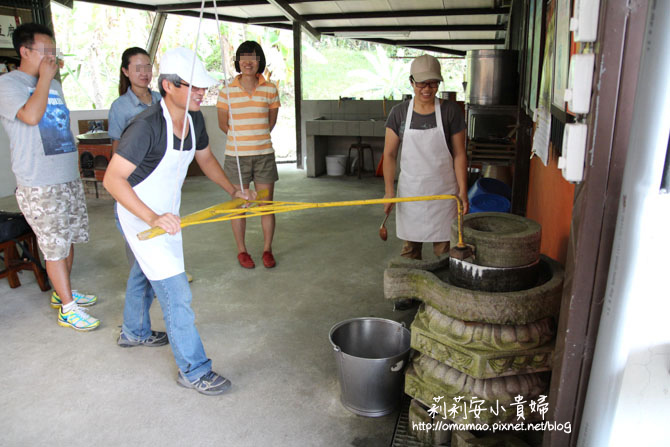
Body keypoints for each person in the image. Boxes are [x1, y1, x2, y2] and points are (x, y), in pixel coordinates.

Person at [103, 47, 254, 395]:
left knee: (144, 271)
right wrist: (152, 216)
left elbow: (206, 159)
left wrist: (234, 190)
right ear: (169, 86)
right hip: (138, 212)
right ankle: (194, 370)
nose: (203, 93)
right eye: (195, 87)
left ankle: (134, 331)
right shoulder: (145, 126)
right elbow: (113, 181)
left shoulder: (194, 117)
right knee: (176, 293)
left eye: (204, 87)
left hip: (166, 213)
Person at [0, 23, 99, 331]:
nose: (52, 58)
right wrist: (44, 77)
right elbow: (30, 116)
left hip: (65, 175)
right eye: (46, 52)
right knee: (53, 244)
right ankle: (68, 308)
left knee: (67, 238)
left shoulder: (53, 85)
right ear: (25, 51)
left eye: (54, 53)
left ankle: (62, 292)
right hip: (38, 181)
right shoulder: (8, 84)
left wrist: (47, 79)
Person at [383, 54, 469, 262]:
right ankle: (410, 293)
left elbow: (459, 154)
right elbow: (389, 154)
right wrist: (389, 191)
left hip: (444, 195)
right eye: (422, 83)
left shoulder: (450, 111)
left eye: (433, 83)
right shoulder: (399, 113)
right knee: (410, 254)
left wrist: (463, 192)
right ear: (411, 81)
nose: (427, 89)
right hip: (411, 195)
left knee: (445, 255)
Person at [217, 40, 280, 269]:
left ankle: (267, 250)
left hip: (264, 154)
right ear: (237, 61)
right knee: (238, 206)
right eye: (243, 57)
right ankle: (242, 251)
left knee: (267, 205)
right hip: (236, 157)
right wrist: (242, 140)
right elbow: (223, 124)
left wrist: (256, 137)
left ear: (260, 60)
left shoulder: (270, 89)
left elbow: (270, 122)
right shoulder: (226, 91)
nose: (248, 61)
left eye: (252, 57)